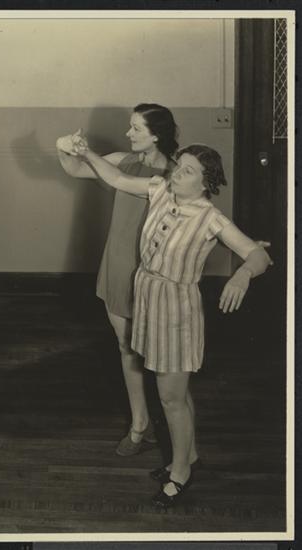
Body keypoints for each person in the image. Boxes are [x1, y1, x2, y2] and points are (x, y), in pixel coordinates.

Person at [70, 138, 272, 508]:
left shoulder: (211, 218)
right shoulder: (159, 189)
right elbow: (115, 178)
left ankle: (180, 473)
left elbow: (257, 254)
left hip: (177, 310)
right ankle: (189, 455)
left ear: (206, 183)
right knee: (176, 391)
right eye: (179, 166)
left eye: (188, 171)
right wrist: (86, 153)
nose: (177, 173)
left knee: (170, 397)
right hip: (147, 295)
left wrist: (242, 276)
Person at [56, 104, 178, 456]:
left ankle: (175, 430)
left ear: (156, 135)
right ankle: (140, 423)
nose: (128, 133)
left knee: (158, 354)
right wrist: (64, 144)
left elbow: (116, 181)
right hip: (119, 264)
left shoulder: (173, 176)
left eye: (136, 128)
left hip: (155, 272)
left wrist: (88, 152)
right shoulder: (124, 160)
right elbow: (73, 168)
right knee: (126, 346)